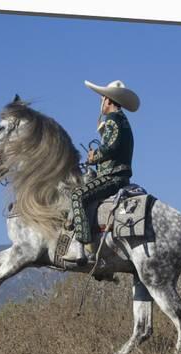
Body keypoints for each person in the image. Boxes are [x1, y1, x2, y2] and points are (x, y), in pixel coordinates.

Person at [63, 79, 140, 264]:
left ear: (108, 100)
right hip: (121, 175)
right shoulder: (123, 121)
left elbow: (111, 148)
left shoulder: (113, 119)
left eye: (101, 100)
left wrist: (94, 157)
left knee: (77, 195)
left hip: (113, 177)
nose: (100, 104)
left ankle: (84, 248)